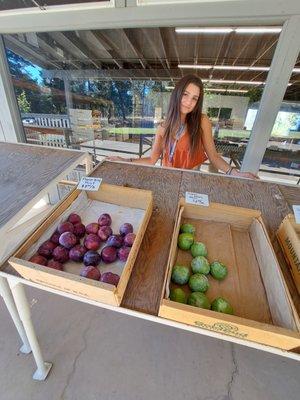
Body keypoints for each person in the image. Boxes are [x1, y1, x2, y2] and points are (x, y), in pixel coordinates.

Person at [108, 75, 257, 179]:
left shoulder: (202, 121)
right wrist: (125, 160)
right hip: (167, 179)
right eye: (185, 95)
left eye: (194, 98)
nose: (188, 102)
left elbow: (214, 156)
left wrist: (236, 173)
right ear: (177, 94)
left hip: (190, 178)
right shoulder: (163, 127)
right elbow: (152, 160)